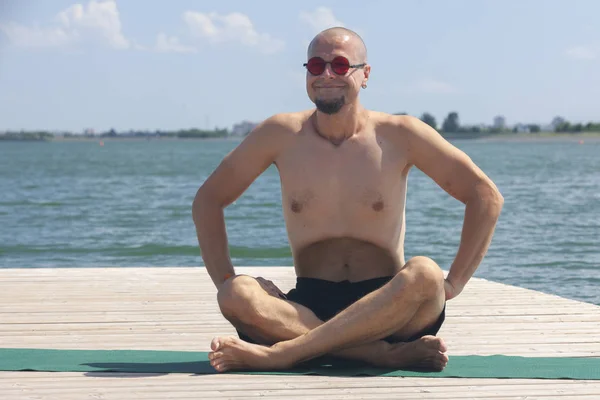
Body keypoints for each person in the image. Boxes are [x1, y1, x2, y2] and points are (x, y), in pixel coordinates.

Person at [192, 27, 504, 373]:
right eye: (315, 66)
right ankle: (375, 354)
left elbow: (484, 195)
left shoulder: (400, 134)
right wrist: (225, 278)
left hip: (392, 307)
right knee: (234, 293)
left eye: (340, 66)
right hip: (309, 305)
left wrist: (453, 284)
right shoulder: (280, 135)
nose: (326, 75)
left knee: (426, 274)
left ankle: (285, 353)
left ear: (365, 74)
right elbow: (208, 200)